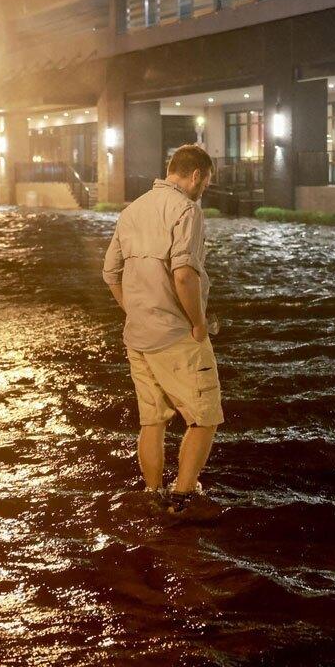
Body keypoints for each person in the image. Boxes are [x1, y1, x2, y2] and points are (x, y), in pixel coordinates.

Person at [102, 144, 222, 516]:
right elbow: (184, 275)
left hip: (138, 336)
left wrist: (135, 310)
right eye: (206, 183)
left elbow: (110, 274)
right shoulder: (187, 210)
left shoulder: (131, 210)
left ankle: (153, 494)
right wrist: (199, 324)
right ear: (196, 175)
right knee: (204, 417)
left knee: (152, 420)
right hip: (175, 337)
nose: (204, 191)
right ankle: (183, 498)